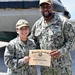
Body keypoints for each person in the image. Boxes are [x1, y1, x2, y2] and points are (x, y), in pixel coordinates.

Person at [29, 0, 75, 75]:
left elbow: (72, 41)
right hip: (46, 69)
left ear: (52, 7)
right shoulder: (37, 25)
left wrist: (60, 52)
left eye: (48, 7)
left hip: (62, 68)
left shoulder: (63, 22)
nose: (45, 9)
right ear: (40, 8)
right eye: (43, 7)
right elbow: (32, 42)